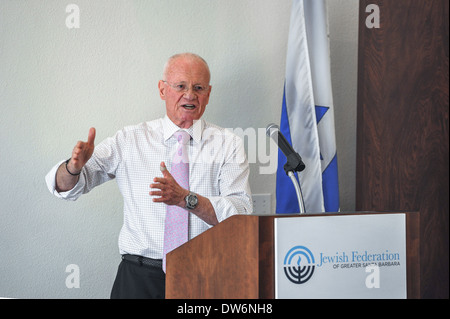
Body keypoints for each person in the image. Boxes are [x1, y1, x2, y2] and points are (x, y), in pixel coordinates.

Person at [45, 53, 253, 299]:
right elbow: (66, 188)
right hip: (139, 278)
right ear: (162, 90)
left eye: (199, 88)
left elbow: (241, 213)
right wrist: (73, 168)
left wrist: (187, 199)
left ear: (208, 93)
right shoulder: (130, 139)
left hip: (206, 276)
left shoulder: (228, 144)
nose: (190, 95)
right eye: (180, 86)